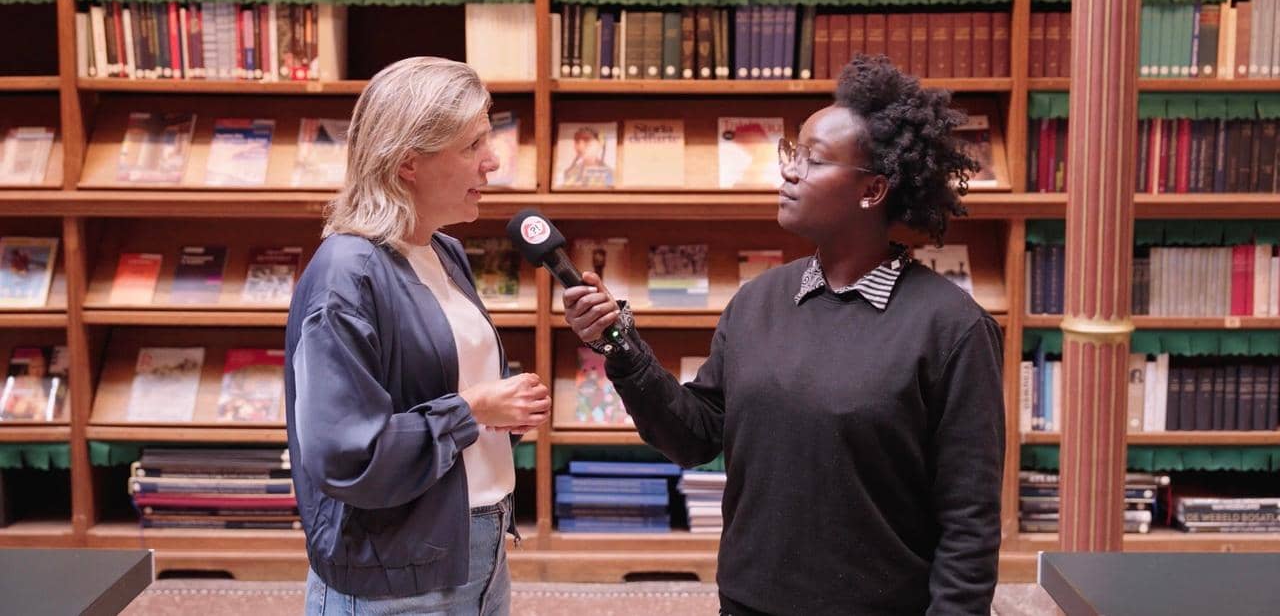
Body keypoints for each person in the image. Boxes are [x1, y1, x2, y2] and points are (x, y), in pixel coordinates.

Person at [564, 54, 1005, 615]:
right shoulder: (757, 302)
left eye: (814, 161)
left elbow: (970, 520)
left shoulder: (952, 328)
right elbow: (695, 435)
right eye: (792, 154)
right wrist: (618, 344)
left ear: (872, 190)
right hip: (749, 601)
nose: (790, 172)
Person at [285, 57, 550, 615]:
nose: (493, 161)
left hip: (477, 546)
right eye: (472, 145)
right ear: (409, 162)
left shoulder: (443, 249)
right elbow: (347, 456)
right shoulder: (346, 274)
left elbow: (439, 395)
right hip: (396, 574)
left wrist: (502, 409)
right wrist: (474, 409)